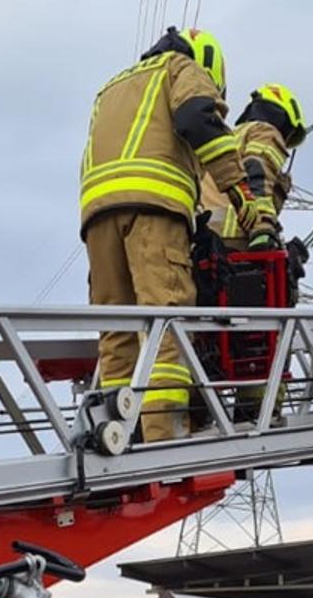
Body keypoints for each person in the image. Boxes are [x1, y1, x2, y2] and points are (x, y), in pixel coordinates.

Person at [80, 27, 259, 442]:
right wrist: (239, 192)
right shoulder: (181, 68)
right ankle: (165, 437)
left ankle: (120, 436)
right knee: (167, 325)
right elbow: (198, 120)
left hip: (97, 218)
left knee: (117, 333)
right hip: (153, 211)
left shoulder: (110, 87)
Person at [196, 83, 311, 250]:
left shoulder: (227, 138)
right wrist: (263, 229)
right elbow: (258, 173)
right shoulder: (265, 132)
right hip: (235, 237)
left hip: (204, 239)